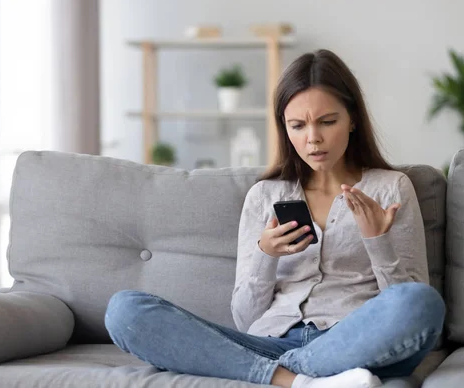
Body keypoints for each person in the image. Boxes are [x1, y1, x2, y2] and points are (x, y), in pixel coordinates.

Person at [104, 49, 445, 388]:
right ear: (284, 127)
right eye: (298, 125)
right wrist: (265, 256)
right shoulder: (265, 196)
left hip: (353, 343)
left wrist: (377, 241)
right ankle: (302, 381)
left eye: (327, 121)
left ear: (353, 118)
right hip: (270, 342)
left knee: (421, 302)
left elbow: (406, 303)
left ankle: (283, 372)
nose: (313, 138)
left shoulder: (390, 189)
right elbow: (246, 318)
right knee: (125, 311)